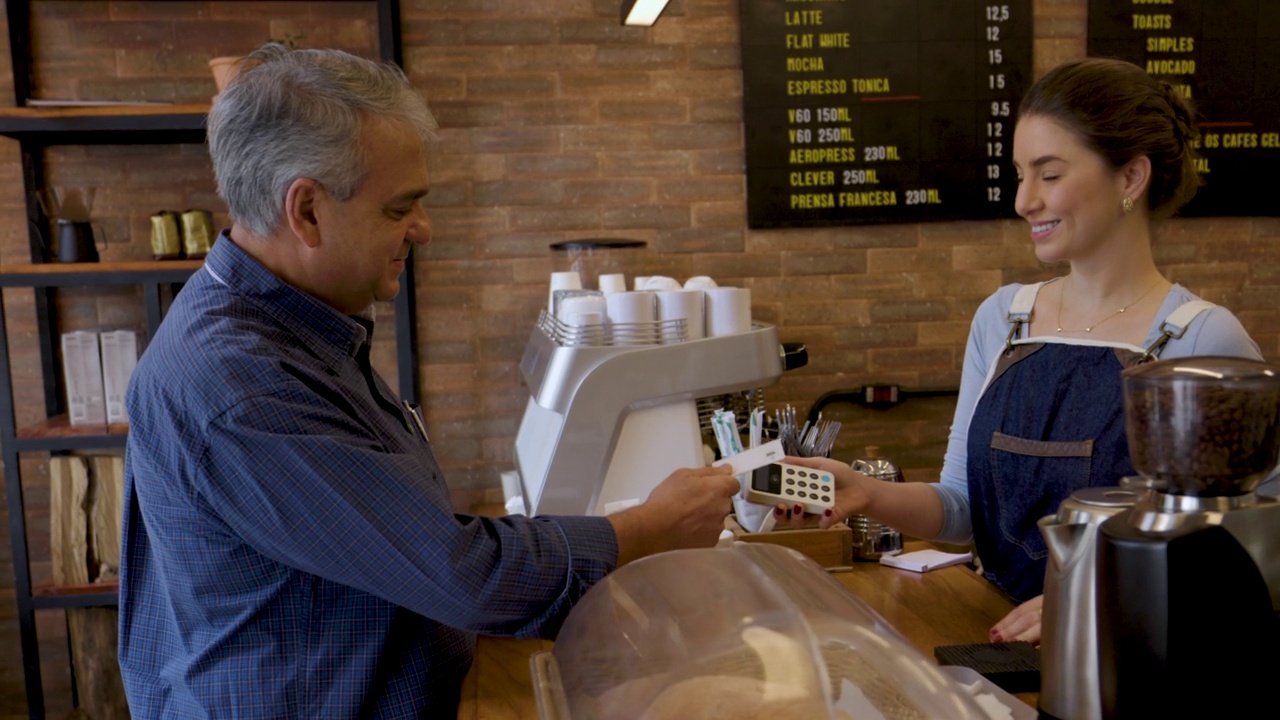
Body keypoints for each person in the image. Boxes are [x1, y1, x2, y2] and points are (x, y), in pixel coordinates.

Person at [117, 44, 738, 718]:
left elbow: (405, 542)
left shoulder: (298, 328)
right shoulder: (243, 384)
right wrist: (648, 528)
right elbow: (460, 574)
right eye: (397, 209)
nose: (424, 229)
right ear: (307, 211)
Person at [787, 58, 1262, 644]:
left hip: (1141, 660)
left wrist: (1098, 595)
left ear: (1131, 179)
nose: (1023, 201)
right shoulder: (1004, 319)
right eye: (1019, 174)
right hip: (1004, 646)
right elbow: (962, 508)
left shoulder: (1202, 339)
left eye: (1050, 174)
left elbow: (1257, 548)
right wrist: (868, 493)